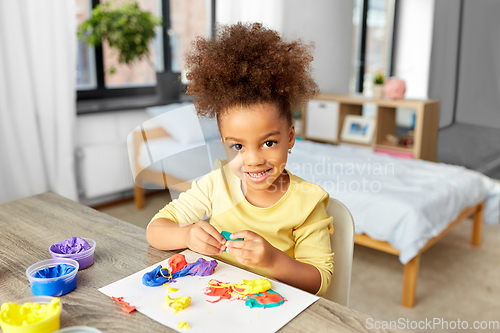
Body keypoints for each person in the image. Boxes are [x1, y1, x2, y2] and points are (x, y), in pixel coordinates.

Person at [146, 22, 333, 296]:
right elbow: (155, 230)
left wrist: (272, 260)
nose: (254, 159)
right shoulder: (215, 184)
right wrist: (186, 236)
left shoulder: (308, 201)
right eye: (237, 146)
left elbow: (320, 280)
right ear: (222, 143)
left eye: (269, 142)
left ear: (290, 137)